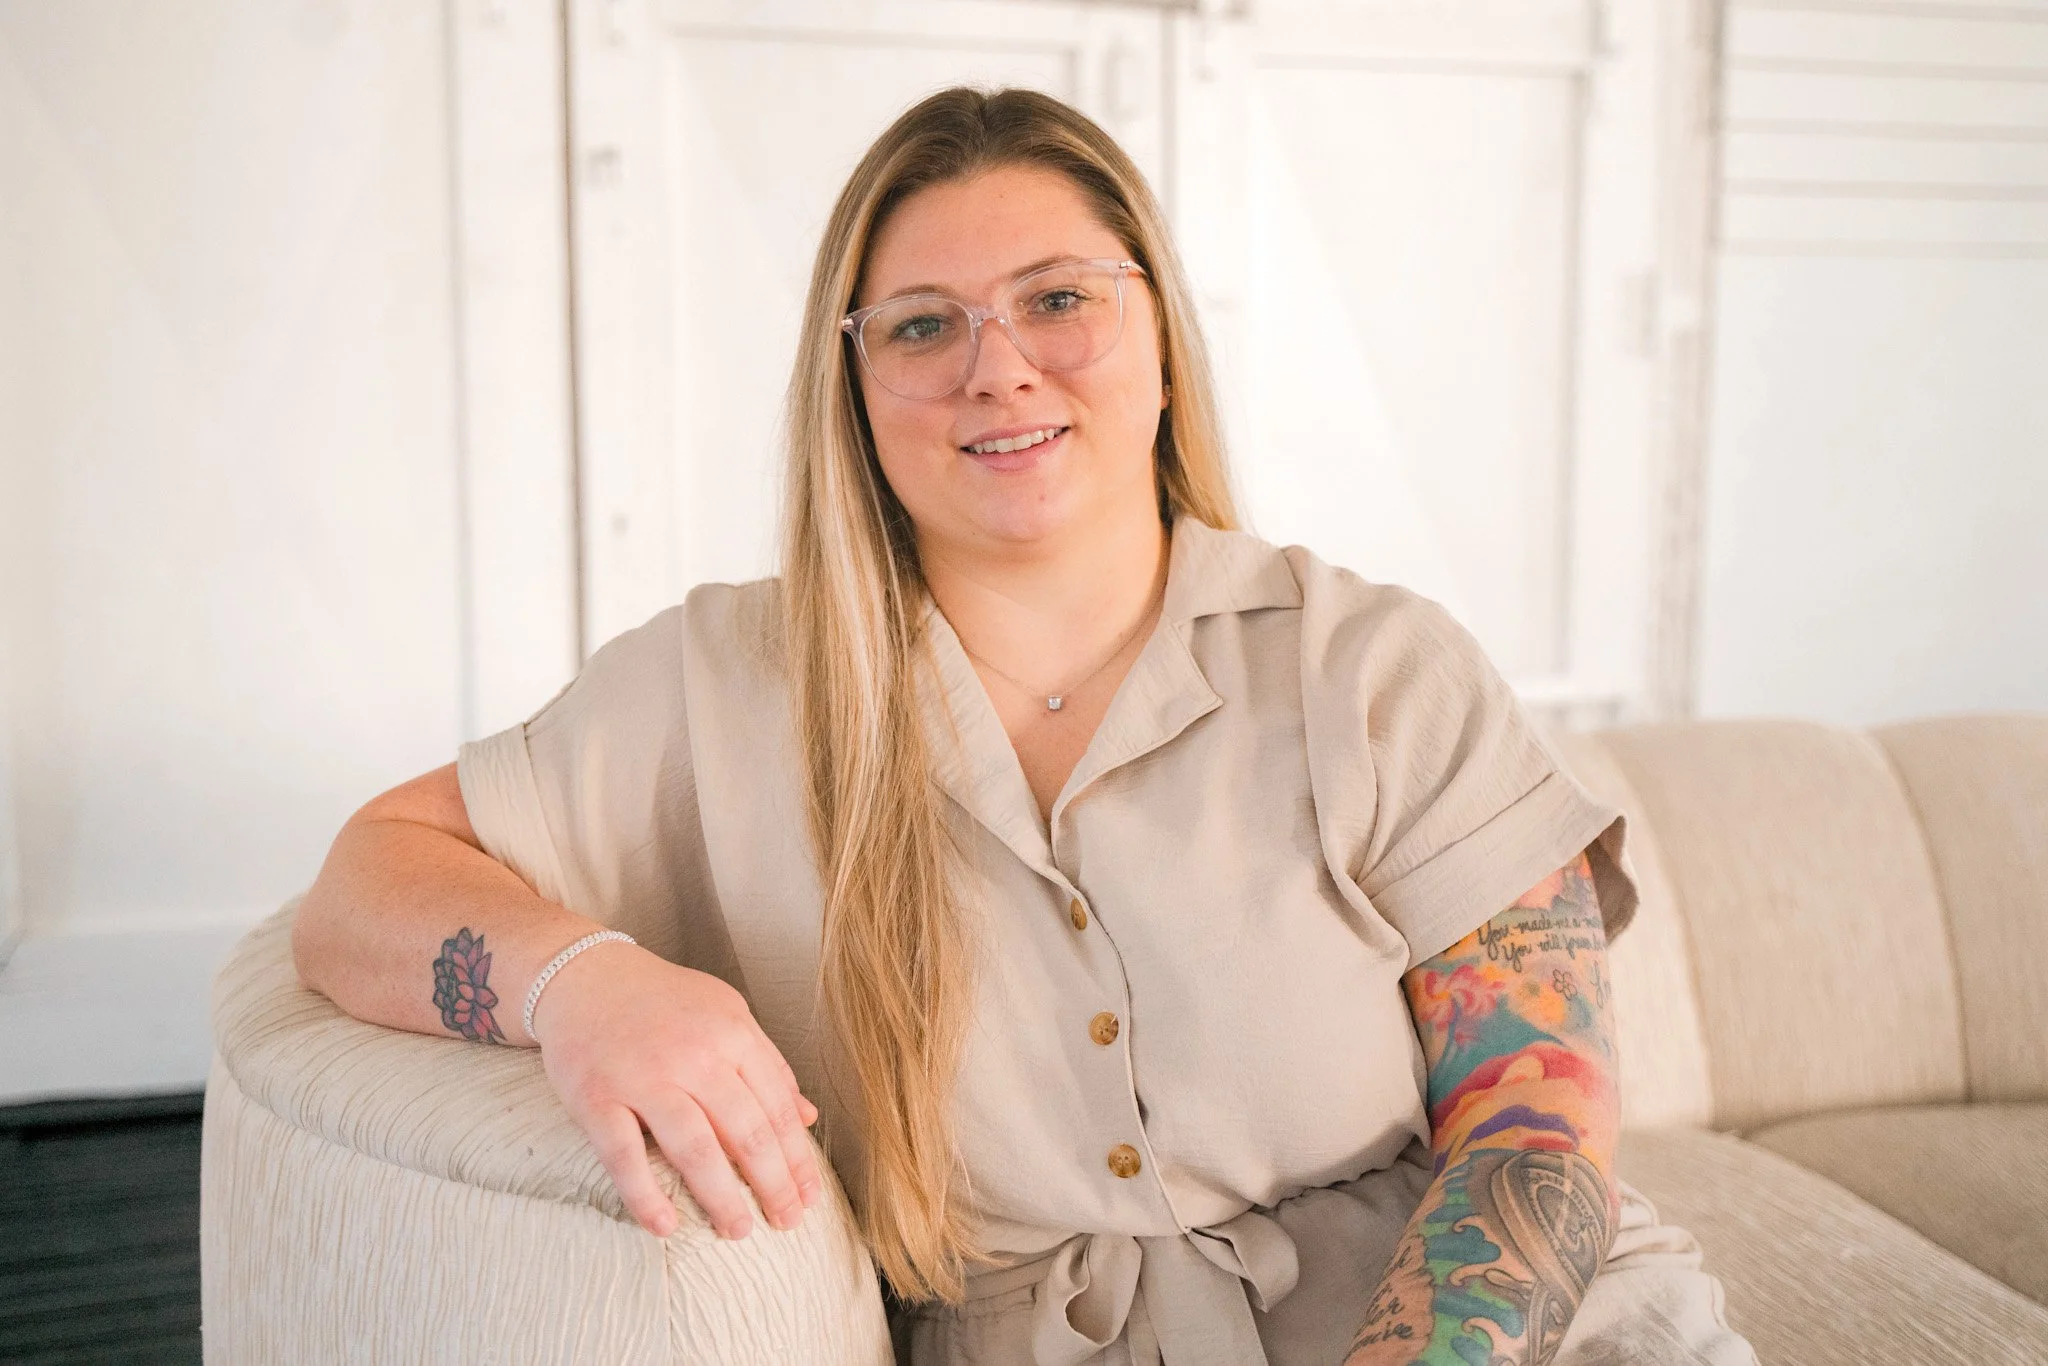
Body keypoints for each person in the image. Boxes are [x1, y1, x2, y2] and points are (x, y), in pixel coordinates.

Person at [292, 86, 1756, 1366]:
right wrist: (583, 986)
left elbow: (1533, 1129)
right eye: (923, 325)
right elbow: (361, 885)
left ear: (1161, 339)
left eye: (1059, 300)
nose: (997, 368)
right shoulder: (724, 681)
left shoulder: (1374, 666)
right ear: (854, 391)